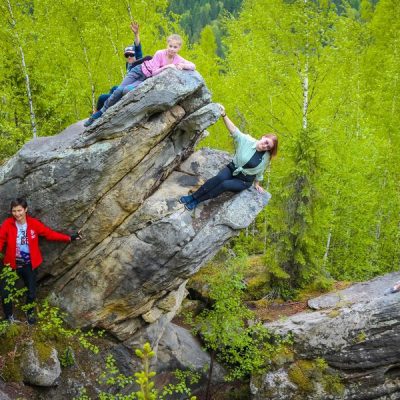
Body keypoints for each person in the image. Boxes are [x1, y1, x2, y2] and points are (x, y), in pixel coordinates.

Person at [84, 34, 196, 127]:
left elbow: (193, 66)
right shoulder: (160, 53)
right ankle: (99, 114)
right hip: (139, 71)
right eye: (170, 46)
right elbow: (154, 72)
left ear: (179, 48)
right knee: (118, 90)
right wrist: (168, 66)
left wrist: (182, 65)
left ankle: (113, 114)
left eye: (175, 47)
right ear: (167, 45)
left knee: (126, 91)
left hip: (145, 79)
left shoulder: (177, 59)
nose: (172, 49)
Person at [179, 105, 278, 211]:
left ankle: (197, 201)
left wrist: (257, 183)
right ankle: (193, 196)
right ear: (263, 137)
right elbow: (234, 130)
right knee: (218, 178)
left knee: (225, 185)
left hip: (244, 180)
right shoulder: (246, 140)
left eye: (268, 147)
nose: (265, 146)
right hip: (232, 168)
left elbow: (260, 171)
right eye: (266, 142)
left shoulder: (266, 157)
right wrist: (224, 115)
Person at [0, 198, 82, 324]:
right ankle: (9, 317)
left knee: (32, 293)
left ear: (25, 210)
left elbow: (49, 234)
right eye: (14, 211)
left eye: (19, 210)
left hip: (29, 265)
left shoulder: (33, 224)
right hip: (11, 264)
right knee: (5, 293)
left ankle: (30, 313)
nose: (17, 214)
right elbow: (0, 240)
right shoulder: (8, 224)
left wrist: (69, 238)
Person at [95, 21, 148, 112]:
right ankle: (108, 106)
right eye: (127, 55)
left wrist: (136, 34)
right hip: (125, 88)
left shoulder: (138, 62)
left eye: (131, 54)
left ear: (135, 55)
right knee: (114, 88)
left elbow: (138, 47)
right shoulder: (128, 64)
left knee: (101, 98)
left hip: (131, 90)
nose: (129, 57)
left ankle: (97, 113)